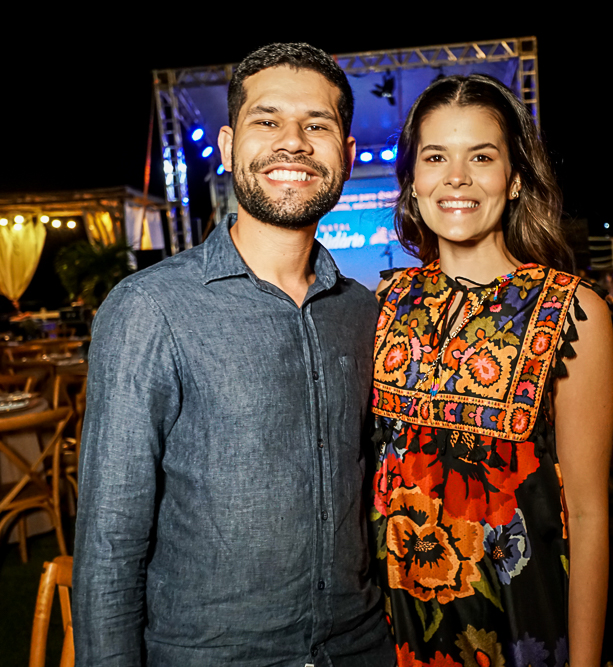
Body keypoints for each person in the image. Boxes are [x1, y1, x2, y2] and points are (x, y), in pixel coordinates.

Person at [73, 43, 393, 666]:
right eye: (267, 120)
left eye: (317, 125)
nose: (293, 142)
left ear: (347, 154)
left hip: (360, 647)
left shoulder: (362, 312)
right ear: (226, 146)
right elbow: (109, 544)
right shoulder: (150, 309)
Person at [370, 74, 613, 667]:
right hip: (396, 638)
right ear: (413, 182)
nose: (457, 176)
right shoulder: (380, 306)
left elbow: (587, 516)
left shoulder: (573, 312)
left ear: (515, 177)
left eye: (481, 156)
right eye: (436, 157)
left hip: (521, 630)